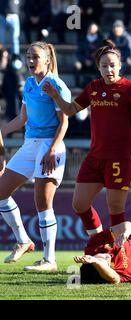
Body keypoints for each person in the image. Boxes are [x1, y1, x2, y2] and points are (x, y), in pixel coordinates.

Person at [43, 40, 131, 239]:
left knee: (115, 209)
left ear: (120, 65)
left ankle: (120, 258)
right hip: (95, 157)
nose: (108, 70)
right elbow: (70, 110)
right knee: (79, 204)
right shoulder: (93, 87)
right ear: (98, 67)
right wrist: (55, 95)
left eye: (112, 65)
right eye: (104, 66)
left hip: (119, 158)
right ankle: (100, 241)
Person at [0, 41, 70, 272]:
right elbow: (22, 119)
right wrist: (2, 131)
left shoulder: (56, 84)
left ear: (48, 60)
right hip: (30, 143)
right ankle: (23, 240)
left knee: (42, 202)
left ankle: (49, 260)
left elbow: (64, 121)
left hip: (51, 144)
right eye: (28, 56)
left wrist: (52, 149)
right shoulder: (29, 83)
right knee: (0, 193)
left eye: (35, 57)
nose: (30, 60)